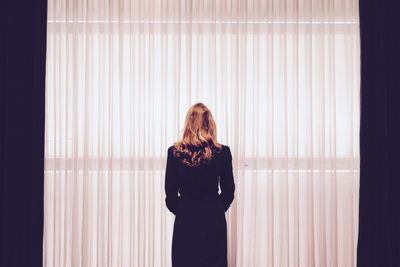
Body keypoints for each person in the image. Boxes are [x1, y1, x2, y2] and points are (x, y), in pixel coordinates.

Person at [165, 102, 235, 267]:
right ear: (210, 124)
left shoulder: (174, 153)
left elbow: (170, 194)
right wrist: (215, 209)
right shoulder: (223, 152)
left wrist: (184, 209)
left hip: (186, 219)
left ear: (188, 123)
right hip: (213, 218)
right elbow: (228, 192)